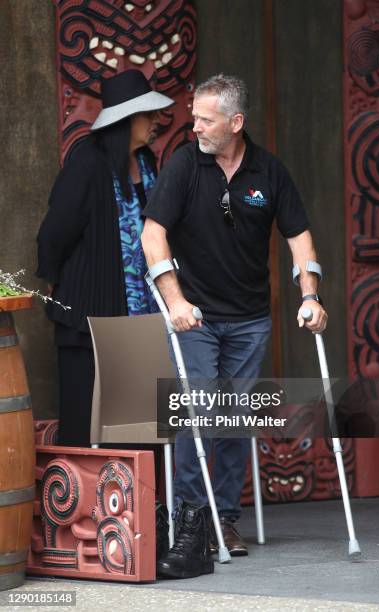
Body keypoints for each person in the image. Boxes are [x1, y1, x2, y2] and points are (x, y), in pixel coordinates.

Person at [141, 74, 328, 579]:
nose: (194, 125)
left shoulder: (268, 171)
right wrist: (175, 300)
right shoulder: (184, 164)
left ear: (236, 122)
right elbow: (152, 234)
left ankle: (222, 519)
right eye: (194, 115)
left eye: (206, 118)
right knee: (198, 414)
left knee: (235, 420)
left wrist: (310, 296)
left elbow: (300, 239)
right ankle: (189, 522)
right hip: (195, 316)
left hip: (249, 320)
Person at [36, 69, 174, 448]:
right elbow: (56, 230)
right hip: (89, 313)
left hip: (139, 313)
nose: (155, 122)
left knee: (139, 421)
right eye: (148, 115)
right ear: (126, 120)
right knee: (88, 419)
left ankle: (141, 504)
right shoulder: (88, 162)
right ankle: (85, 504)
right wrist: (53, 277)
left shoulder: (146, 162)